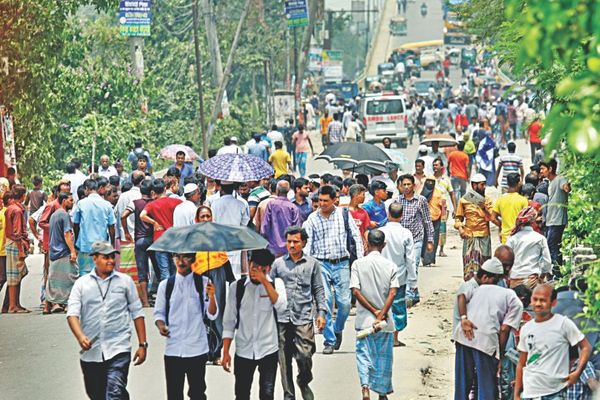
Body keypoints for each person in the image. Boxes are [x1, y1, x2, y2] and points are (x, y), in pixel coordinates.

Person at [66, 241, 147, 400]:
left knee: (114, 392)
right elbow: (72, 314)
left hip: (119, 347)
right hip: (91, 352)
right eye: (105, 257)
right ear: (94, 258)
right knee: (96, 394)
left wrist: (143, 344)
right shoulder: (81, 284)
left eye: (112, 257)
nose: (110, 261)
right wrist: (80, 336)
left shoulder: (125, 282)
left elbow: (137, 313)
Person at [303, 185, 364, 354]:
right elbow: (307, 245)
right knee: (326, 302)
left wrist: (358, 262)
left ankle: (338, 330)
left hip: (342, 263)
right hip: (320, 264)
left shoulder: (344, 215)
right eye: (319, 201)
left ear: (334, 200)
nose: (322, 204)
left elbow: (356, 238)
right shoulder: (312, 219)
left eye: (325, 201)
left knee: (345, 303)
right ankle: (329, 340)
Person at [221, 249, 288, 400]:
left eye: (261, 269)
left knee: (267, 393)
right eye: (253, 268)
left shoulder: (276, 285)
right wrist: (225, 352)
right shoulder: (237, 288)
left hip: (268, 349)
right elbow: (229, 322)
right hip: (244, 350)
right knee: (242, 393)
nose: (255, 272)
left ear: (268, 269)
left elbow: (281, 306)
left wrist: (264, 280)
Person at [453, 258, 523, 400]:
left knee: (462, 383)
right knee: (487, 386)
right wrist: (500, 356)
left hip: (463, 336)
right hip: (486, 339)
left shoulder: (478, 287)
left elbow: (461, 296)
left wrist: (464, 318)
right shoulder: (513, 299)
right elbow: (504, 329)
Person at [271, 227, 327, 400]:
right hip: (281, 318)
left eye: (295, 242)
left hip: (303, 317)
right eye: (289, 241)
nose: (292, 245)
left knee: (305, 355)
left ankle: (303, 380)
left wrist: (321, 313)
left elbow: (318, 289)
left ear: (303, 243)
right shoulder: (278, 264)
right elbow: (269, 288)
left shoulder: (312, 264)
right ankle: (289, 395)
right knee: (284, 359)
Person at [153, 252, 218, 400]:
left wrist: (212, 296)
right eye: (177, 257)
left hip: (197, 348)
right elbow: (158, 314)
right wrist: (161, 326)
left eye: (186, 257)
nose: (181, 261)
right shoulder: (166, 285)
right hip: (173, 348)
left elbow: (212, 314)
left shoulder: (203, 282)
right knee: (174, 394)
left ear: (193, 259)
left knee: (197, 393)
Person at [514, 284, 592, 400]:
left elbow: (586, 347)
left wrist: (577, 372)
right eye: (535, 299)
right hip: (530, 392)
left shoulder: (563, 324)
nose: (538, 304)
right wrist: (516, 394)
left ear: (553, 302)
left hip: (555, 392)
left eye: (543, 300)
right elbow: (521, 363)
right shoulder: (526, 328)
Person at [351, 229, 398, 400]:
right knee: (383, 358)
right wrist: (381, 314)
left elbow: (355, 291)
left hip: (364, 320)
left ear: (367, 244)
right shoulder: (390, 265)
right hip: (384, 323)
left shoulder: (357, 264)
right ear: (384, 245)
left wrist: (372, 311)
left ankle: (365, 387)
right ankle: (382, 392)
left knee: (364, 355)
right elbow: (393, 293)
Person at [379, 203, 415, 347]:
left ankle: (384, 337)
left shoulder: (380, 232)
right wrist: (413, 281)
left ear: (388, 214)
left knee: (382, 305)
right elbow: (410, 259)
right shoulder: (406, 233)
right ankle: (394, 338)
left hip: (381, 275)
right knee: (398, 307)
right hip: (399, 276)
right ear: (401, 216)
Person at [395, 174, 434, 305]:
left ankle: (409, 294)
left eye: (408, 184)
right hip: (401, 239)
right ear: (400, 186)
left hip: (416, 238)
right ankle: (414, 292)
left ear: (414, 186)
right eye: (403, 185)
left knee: (413, 265)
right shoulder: (397, 200)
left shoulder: (421, 200)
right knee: (403, 266)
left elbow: (427, 220)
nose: (406, 187)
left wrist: (430, 240)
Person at [454, 174, 496, 280]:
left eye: (484, 184)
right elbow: (458, 218)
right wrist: (460, 229)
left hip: (483, 235)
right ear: (474, 185)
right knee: (468, 267)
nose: (484, 187)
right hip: (469, 236)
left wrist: (484, 208)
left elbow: (492, 217)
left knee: (485, 265)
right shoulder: (464, 200)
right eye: (482, 185)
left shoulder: (488, 201)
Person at [140, 178, 182, 280]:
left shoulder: (152, 204)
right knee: (174, 270)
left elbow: (142, 215)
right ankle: (173, 293)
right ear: (164, 189)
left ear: (153, 192)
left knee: (164, 271)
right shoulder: (176, 201)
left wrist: (154, 222)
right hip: (173, 239)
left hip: (159, 241)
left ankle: (165, 293)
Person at [73, 179, 116, 276]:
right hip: (102, 245)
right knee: (101, 272)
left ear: (86, 189)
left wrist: (76, 240)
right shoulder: (107, 205)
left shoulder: (81, 204)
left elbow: (76, 224)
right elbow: (111, 226)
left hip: (85, 244)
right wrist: (112, 243)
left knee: (84, 272)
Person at [122, 179, 154, 307]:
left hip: (139, 240)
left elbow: (123, 215)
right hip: (153, 239)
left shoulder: (135, 203)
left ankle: (145, 302)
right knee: (158, 269)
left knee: (142, 271)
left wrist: (126, 232)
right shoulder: (154, 203)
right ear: (152, 191)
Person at [45, 192, 77, 313]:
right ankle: (66, 303)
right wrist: (73, 251)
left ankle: (52, 304)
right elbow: (67, 234)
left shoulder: (54, 215)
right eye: (70, 200)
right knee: (71, 277)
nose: (72, 203)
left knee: (54, 279)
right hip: (63, 251)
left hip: (54, 251)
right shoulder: (64, 215)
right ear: (64, 201)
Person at [506, 206, 552, 289]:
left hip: (514, 280)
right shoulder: (540, 238)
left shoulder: (512, 238)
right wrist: (542, 277)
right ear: (533, 221)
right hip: (532, 280)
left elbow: (506, 260)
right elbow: (547, 263)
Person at [211, 181, 250, 278]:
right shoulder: (241, 204)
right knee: (235, 272)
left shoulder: (215, 204)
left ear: (221, 188)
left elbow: (212, 223)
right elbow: (245, 222)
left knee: (220, 271)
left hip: (219, 242)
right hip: (235, 240)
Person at [539, 159, 570, 273]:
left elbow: (566, 187)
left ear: (550, 169)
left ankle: (557, 273)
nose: (541, 171)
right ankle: (557, 272)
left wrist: (567, 186)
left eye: (543, 168)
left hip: (557, 220)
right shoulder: (550, 182)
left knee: (552, 247)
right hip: (551, 220)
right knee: (553, 246)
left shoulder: (560, 179)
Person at [4, 185, 30, 313]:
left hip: (10, 243)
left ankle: (15, 304)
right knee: (15, 275)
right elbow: (17, 232)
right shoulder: (17, 210)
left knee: (16, 274)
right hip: (15, 244)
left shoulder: (10, 208)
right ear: (23, 196)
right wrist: (21, 250)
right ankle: (13, 305)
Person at [260, 181, 302, 257]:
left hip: (272, 248)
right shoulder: (293, 207)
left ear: (277, 190)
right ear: (288, 191)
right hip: (288, 249)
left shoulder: (271, 205)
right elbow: (297, 229)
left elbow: (264, 228)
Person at [492, 172, 529, 244]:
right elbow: (526, 219)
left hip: (506, 237)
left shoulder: (500, 199)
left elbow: (493, 218)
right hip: (519, 236)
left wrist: (501, 225)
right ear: (518, 183)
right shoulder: (523, 200)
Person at [421, 176, 444, 267]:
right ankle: (423, 256)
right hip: (424, 219)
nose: (430, 184)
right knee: (424, 238)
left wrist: (443, 216)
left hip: (436, 218)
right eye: (428, 181)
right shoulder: (422, 194)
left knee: (433, 239)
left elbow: (442, 205)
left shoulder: (438, 193)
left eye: (432, 182)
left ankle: (429, 259)